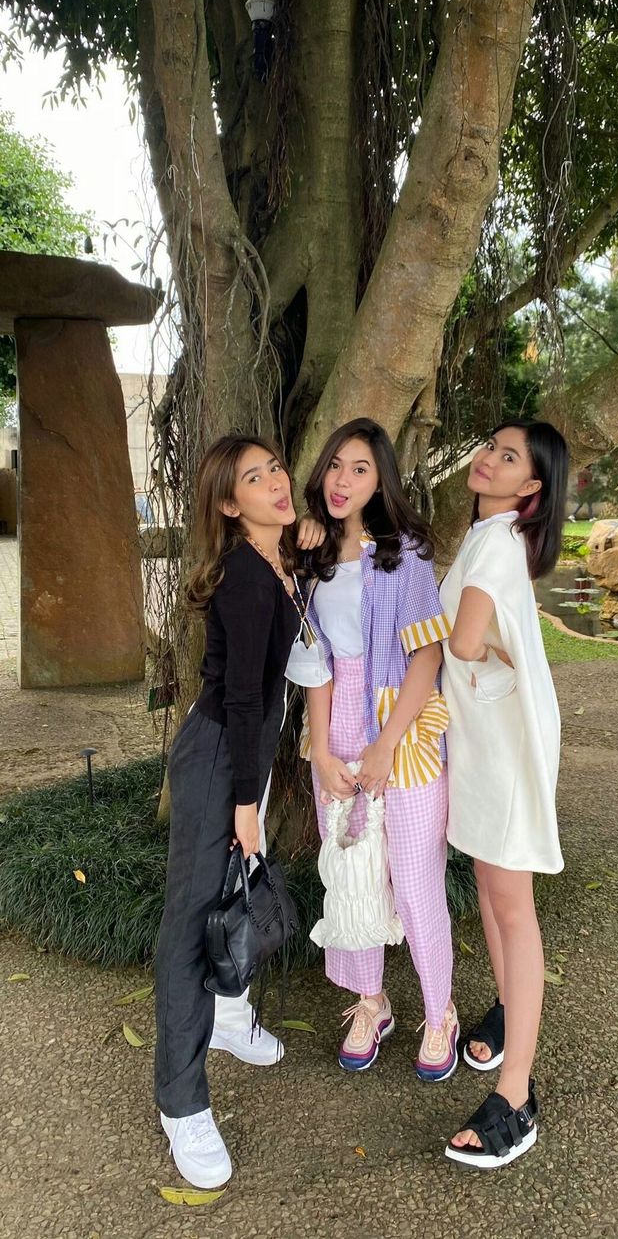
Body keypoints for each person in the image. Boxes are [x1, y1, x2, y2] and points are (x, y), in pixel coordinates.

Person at [154, 434, 303, 1189]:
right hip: (221, 756)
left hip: (242, 753)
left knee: (231, 893)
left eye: (275, 466)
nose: (276, 480)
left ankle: (233, 1020)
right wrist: (246, 802)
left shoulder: (276, 557)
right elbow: (243, 698)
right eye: (255, 477)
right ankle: (181, 1103)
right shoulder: (246, 575)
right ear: (226, 503)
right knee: (190, 920)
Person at [298, 418, 458, 1080]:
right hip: (333, 724)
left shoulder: (406, 550)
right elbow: (312, 658)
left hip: (406, 728)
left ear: (380, 479)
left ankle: (439, 1011)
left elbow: (426, 654)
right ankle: (371, 1002)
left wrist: (388, 745)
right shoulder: (306, 551)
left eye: (359, 469)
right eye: (335, 465)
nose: (342, 480)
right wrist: (324, 752)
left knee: (415, 881)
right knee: (351, 872)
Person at [440, 419, 569, 1170]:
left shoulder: (494, 541)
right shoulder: (488, 534)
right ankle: (508, 1011)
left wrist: (481, 648)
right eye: (490, 444)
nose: (487, 457)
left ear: (532, 490)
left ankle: (517, 1097)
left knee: (511, 905)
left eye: (509, 457)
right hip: (488, 743)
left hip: (506, 748)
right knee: (491, 890)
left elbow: (461, 641)